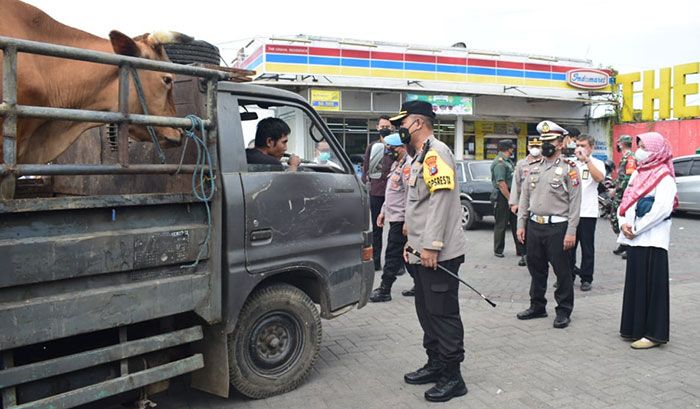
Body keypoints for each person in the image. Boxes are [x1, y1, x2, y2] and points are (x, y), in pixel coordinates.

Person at [391, 100, 468, 402]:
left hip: (438, 252)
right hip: (420, 250)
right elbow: (419, 205)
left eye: (403, 123)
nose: (400, 129)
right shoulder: (419, 155)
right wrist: (411, 242)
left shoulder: (437, 153)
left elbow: (442, 201)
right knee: (427, 311)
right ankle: (436, 363)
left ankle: (453, 376)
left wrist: (431, 245)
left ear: (418, 124)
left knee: (443, 314)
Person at [516, 120, 581, 329]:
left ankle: (563, 311)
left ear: (561, 143)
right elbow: (524, 198)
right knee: (536, 268)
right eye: (543, 140)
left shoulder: (569, 169)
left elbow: (575, 203)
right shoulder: (532, 168)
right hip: (535, 226)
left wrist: (571, 232)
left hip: (558, 228)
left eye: (550, 140)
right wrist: (521, 224)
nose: (545, 145)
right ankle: (537, 306)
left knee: (562, 271)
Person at [617, 132, 677, 349]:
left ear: (656, 150)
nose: (639, 150)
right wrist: (623, 221)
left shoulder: (664, 177)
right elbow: (626, 200)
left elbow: (662, 209)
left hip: (653, 239)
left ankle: (653, 334)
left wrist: (636, 228)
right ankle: (633, 328)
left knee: (652, 286)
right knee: (636, 284)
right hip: (635, 239)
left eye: (644, 146)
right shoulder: (638, 174)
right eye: (638, 146)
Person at [369, 132, 412, 302]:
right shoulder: (397, 164)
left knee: (392, 254)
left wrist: (408, 221)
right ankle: (420, 284)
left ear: (401, 148)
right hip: (393, 216)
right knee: (405, 254)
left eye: (391, 148)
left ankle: (385, 289)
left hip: (401, 219)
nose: (388, 152)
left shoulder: (408, 166)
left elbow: (410, 195)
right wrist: (383, 212)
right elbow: (392, 192)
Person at [568, 135, 605, 291]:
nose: (579, 148)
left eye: (583, 145)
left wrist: (587, 161)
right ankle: (568, 275)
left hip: (588, 212)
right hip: (570, 212)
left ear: (591, 147)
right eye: (577, 145)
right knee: (568, 247)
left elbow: (599, 178)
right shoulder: (570, 163)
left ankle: (586, 278)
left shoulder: (597, 163)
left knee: (587, 247)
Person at [362, 116, 395, 270]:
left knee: (396, 229)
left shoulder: (396, 146)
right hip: (376, 192)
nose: (384, 128)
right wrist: (365, 185)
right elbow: (366, 167)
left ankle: (396, 263)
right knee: (377, 230)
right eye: (382, 126)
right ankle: (376, 262)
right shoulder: (372, 146)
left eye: (387, 126)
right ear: (377, 127)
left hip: (394, 194)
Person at [509, 137, 544, 266]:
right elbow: (516, 184)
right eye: (532, 146)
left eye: (538, 146)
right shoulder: (521, 164)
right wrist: (513, 202)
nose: (535, 148)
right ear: (528, 147)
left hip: (538, 202)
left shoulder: (544, 162)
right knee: (522, 229)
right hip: (524, 203)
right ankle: (524, 254)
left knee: (536, 231)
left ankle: (538, 255)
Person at [490, 139, 525, 263]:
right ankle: (498, 250)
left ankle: (521, 249)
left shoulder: (507, 161)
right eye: (511, 147)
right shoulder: (500, 163)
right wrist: (511, 200)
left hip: (509, 195)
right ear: (507, 148)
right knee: (501, 223)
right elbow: (501, 183)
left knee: (516, 222)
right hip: (502, 196)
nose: (513, 149)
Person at [611, 134, 637, 259]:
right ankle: (623, 243)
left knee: (619, 220)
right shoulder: (626, 157)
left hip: (624, 194)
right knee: (616, 219)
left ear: (621, 144)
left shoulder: (630, 157)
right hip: (621, 193)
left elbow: (628, 178)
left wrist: (618, 189)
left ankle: (629, 245)